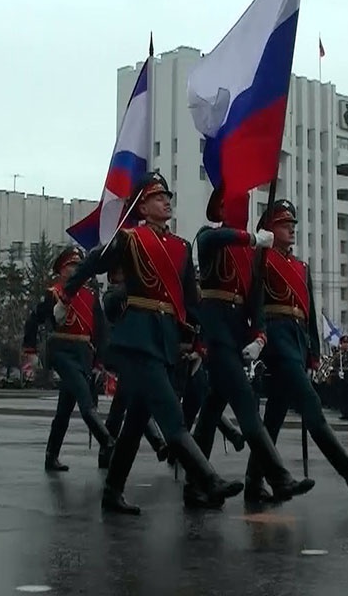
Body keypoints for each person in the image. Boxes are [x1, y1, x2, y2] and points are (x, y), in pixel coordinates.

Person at [59, 172, 242, 514]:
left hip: (166, 338)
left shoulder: (181, 247)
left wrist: (199, 343)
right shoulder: (129, 239)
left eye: (168, 197)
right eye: (159, 198)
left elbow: (191, 301)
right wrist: (66, 295)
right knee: (171, 415)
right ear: (143, 206)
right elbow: (93, 263)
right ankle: (208, 478)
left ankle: (112, 492)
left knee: (135, 422)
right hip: (137, 339)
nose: (167, 202)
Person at [244, 199, 348, 501]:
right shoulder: (260, 259)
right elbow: (254, 301)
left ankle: (254, 482)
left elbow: (309, 311)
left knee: (275, 417)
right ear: (269, 229)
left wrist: (313, 351)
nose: (291, 229)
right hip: (276, 335)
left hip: (297, 337)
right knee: (310, 403)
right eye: (283, 224)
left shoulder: (301, 266)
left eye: (292, 224)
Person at [189, 187, 315, 507]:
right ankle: (279, 478)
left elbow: (254, 298)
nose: (241, 207)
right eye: (233, 203)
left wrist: (258, 334)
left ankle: (196, 483)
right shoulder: (211, 235)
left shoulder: (250, 253)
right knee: (246, 405)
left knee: (212, 410)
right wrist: (250, 238)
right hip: (217, 332)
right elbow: (209, 242)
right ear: (219, 208)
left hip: (236, 334)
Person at [22, 245, 114, 472]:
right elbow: (33, 322)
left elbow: (101, 331)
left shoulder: (91, 295)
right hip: (62, 350)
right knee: (85, 399)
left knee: (64, 409)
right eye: (71, 265)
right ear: (62, 270)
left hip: (84, 352)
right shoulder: (53, 293)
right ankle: (108, 442)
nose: (76, 269)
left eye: (79, 265)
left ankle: (51, 456)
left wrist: (100, 362)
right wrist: (30, 351)